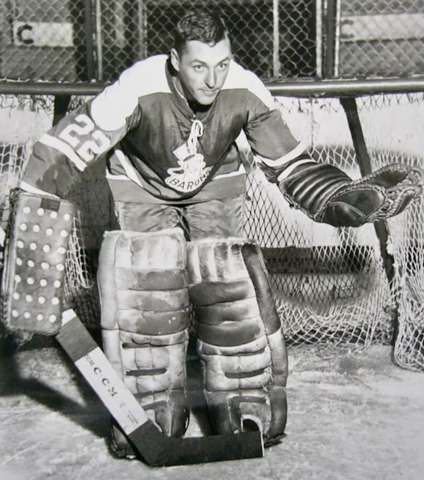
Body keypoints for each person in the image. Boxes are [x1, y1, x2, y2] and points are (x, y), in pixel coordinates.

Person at [15, 11, 421, 459]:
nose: (213, 79)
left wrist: (337, 196)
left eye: (222, 64)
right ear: (174, 60)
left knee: (225, 277)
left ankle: (239, 393)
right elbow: (62, 152)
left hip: (215, 181)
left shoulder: (244, 89)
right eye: (199, 66)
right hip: (141, 183)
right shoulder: (136, 88)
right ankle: (153, 399)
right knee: (148, 278)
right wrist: (29, 223)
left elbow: (288, 165)